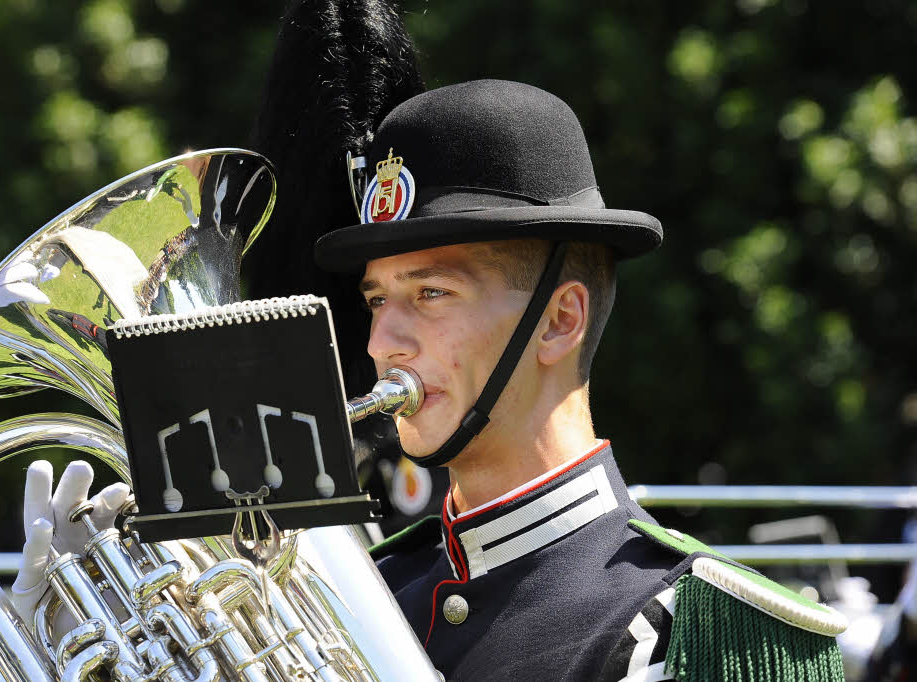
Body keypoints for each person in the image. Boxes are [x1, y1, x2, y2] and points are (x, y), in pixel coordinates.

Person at [311, 78, 849, 681]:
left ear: (559, 321)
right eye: (378, 300)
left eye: (432, 293)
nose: (380, 343)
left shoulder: (696, 632)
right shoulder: (363, 595)